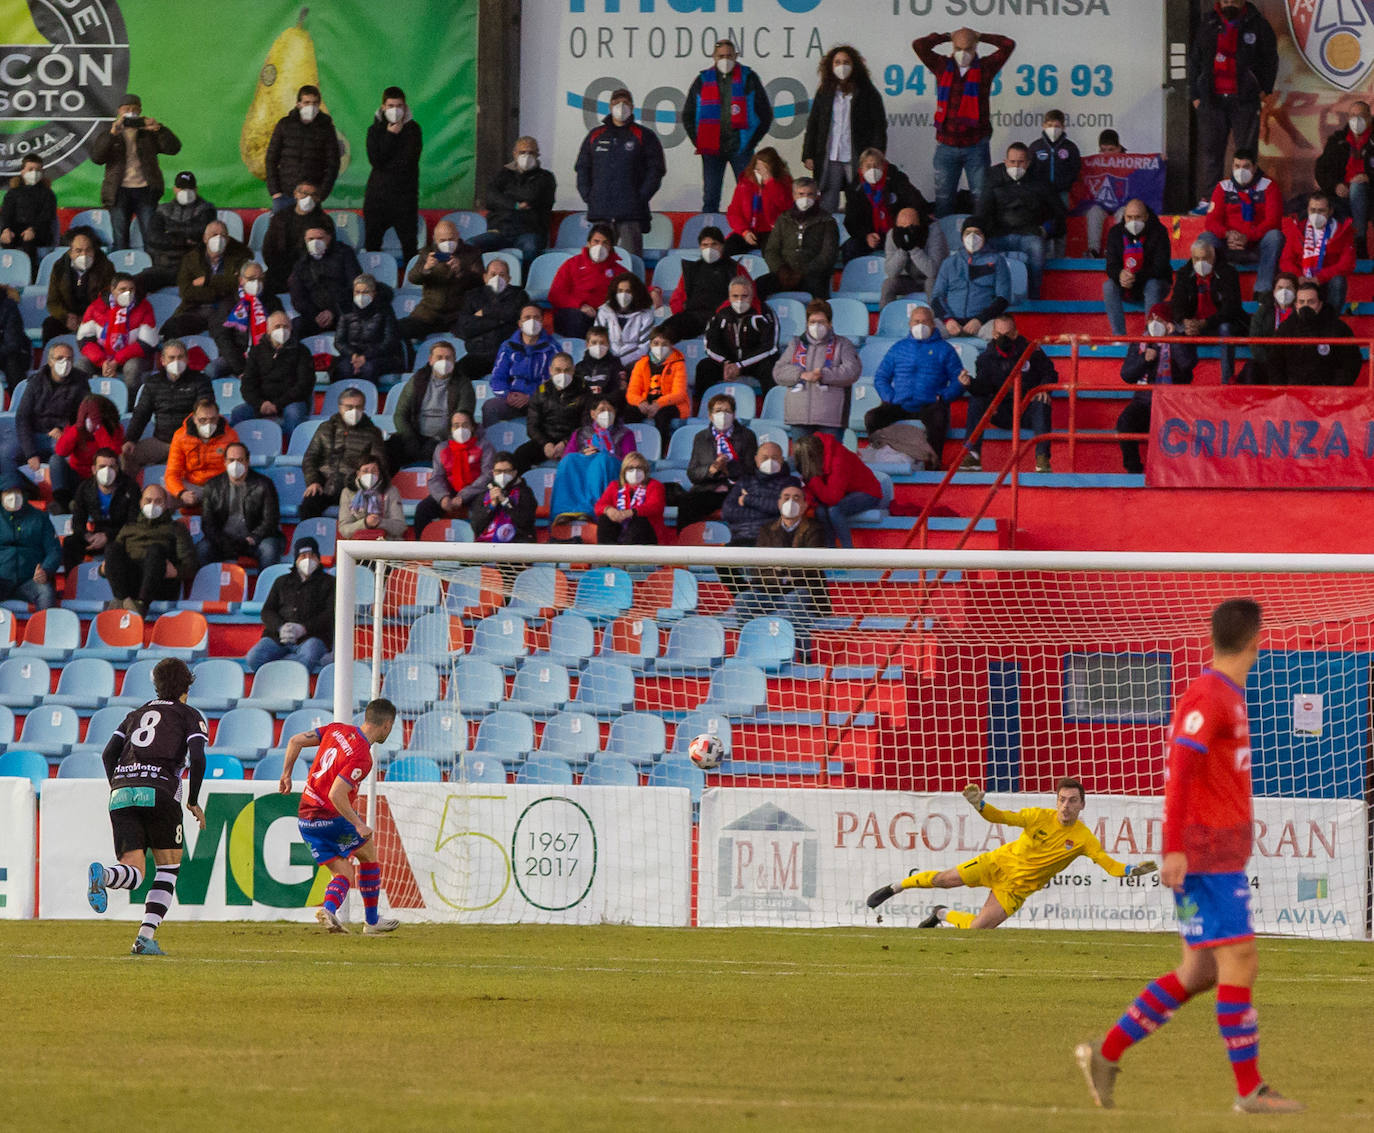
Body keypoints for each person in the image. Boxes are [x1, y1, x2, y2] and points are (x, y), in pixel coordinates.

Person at [1077, 599, 1304, 1115]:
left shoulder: (1228, 694)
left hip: (1218, 853)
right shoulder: (1209, 694)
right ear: (1257, 640)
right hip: (1205, 855)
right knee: (1240, 959)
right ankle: (1249, 1091)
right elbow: (1181, 764)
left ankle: (1105, 1055)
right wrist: (1173, 847)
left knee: (1198, 972)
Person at [868, 778, 1155, 931]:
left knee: (978, 930)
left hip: (1015, 890)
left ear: (1082, 805)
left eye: (1072, 801)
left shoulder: (1083, 839)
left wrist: (1131, 871)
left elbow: (1109, 864)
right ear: (1056, 801)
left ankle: (940, 913)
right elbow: (1001, 817)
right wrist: (980, 804)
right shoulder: (1037, 816)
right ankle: (896, 886)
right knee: (943, 879)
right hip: (997, 863)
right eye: (1062, 800)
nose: (1066, 806)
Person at [85, 657, 208, 956]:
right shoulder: (189, 715)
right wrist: (192, 800)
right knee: (167, 867)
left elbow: (107, 755)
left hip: (122, 791)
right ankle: (144, 937)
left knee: (134, 872)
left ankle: (106, 876)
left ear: (156, 685)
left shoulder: (134, 714)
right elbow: (198, 757)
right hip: (160, 791)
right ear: (187, 686)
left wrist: (120, 786)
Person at [278, 698, 401, 936]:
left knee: (343, 873)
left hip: (305, 817)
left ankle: (329, 909)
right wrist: (358, 824)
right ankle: (372, 921)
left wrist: (286, 774)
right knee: (367, 852)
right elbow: (336, 794)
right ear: (386, 725)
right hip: (328, 816)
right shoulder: (362, 756)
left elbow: (294, 741)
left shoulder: (336, 729)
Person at [912, 27, 1017, 217]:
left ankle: (979, 238)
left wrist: (982, 35)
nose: (962, 53)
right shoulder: (942, 66)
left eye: (967, 48)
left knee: (980, 197)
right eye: (958, 48)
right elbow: (919, 45)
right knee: (943, 199)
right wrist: (944, 36)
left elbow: (1008, 45)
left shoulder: (985, 67)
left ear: (975, 47)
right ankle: (945, 242)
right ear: (952, 47)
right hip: (946, 146)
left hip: (976, 145)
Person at [1188, 2, 1279, 213]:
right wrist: (1195, 95)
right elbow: (1195, 60)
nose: (1229, 2)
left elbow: (1270, 58)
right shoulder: (1208, 23)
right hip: (1211, 100)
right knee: (1211, 153)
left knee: (1246, 152)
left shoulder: (1258, 24)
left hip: (1245, 100)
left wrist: (1265, 87)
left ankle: (1247, 198)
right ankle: (1209, 201)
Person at [728, 482, 829, 658]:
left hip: (800, 590)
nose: (791, 502)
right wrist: (782, 574)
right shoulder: (767, 530)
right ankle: (750, 650)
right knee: (744, 600)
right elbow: (759, 567)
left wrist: (780, 570)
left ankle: (804, 654)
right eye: (786, 497)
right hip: (769, 591)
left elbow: (811, 567)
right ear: (779, 503)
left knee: (796, 601)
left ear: (804, 505)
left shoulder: (815, 529)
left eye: (796, 498)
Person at [867, 305, 968, 463]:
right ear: (910, 324)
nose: (920, 325)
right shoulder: (898, 348)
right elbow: (881, 377)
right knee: (872, 418)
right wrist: (889, 397)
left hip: (930, 404)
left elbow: (959, 379)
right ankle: (880, 458)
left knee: (938, 419)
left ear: (933, 324)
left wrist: (942, 397)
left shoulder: (945, 349)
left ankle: (933, 463)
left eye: (925, 322)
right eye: (917, 321)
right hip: (900, 403)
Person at [683, 38, 774, 214]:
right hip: (711, 150)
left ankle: (752, 235)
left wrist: (750, 142)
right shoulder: (702, 80)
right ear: (714, 57)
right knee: (710, 197)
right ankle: (709, 237)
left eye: (729, 55)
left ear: (736, 55)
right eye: (721, 56)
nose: (726, 59)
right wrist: (700, 141)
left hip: (741, 148)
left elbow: (765, 115)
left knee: (751, 194)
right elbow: (688, 115)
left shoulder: (749, 78)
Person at [574, 88, 666, 257]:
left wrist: (640, 197)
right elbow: (582, 167)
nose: (621, 107)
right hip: (600, 211)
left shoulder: (644, 135)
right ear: (609, 106)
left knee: (631, 262)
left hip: (632, 213)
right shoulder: (595, 135)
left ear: (632, 106)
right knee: (598, 260)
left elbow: (656, 169)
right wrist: (589, 195)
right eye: (616, 103)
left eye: (625, 103)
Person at [960, 314, 1056, 473]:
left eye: (1008, 335)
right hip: (1000, 411)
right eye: (999, 335)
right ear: (993, 334)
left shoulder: (1032, 351)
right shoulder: (985, 359)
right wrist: (969, 383)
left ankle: (1042, 459)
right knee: (977, 400)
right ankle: (972, 455)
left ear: (1015, 333)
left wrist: (1044, 388)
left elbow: (1050, 373)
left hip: (1026, 410)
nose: (1003, 338)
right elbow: (983, 387)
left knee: (1041, 401)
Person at [86, 93, 182, 249]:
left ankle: (150, 270)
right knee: (120, 237)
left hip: (146, 190)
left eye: (134, 109)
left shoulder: (148, 132)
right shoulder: (110, 132)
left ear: (140, 110)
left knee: (151, 238)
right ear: (119, 111)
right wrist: (112, 134)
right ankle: (120, 271)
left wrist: (159, 129)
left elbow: (174, 148)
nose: (130, 112)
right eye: (126, 109)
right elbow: (97, 158)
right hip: (118, 191)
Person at [801, 45, 887, 215]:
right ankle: (826, 235)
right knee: (827, 199)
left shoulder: (868, 92)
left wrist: (876, 154)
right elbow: (814, 124)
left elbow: (879, 125)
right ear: (830, 66)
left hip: (857, 155)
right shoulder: (824, 92)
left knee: (860, 197)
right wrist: (808, 154)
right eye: (837, 62)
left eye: (846, 62)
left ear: (854, 65)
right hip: (830, 156)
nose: (842, 66)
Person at [974, 143, 1065, 299]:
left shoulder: (1040, 181)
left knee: (1037, 249)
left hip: (1029, 235)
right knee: (980, 252)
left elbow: (1058, 211)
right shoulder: (992, 179)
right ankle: (988, 296)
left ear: (1028, 163)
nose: (1016, 166)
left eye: (1021, 162)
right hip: (997, 235)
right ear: (1005, 162)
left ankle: (1033, 296)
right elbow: (981, 211)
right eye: (1012, 162)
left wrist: (1046, 229)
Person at [1117, 304, 1196, 475]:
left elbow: (1187, 364)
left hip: (1173, 403)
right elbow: (1126, 375)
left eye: (1158, 320)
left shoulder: (1181, 339)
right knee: (1125, 422)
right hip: (1144, 401)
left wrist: (1173, 338)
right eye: (1151, 320)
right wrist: (1144, 360)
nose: (1154, 324)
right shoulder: (1141, 343)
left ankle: (1176, 472)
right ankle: (1133, 469)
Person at [102, 483, 196, 616]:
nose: (152, 505)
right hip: (131, 584)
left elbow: (191, 566)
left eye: (158, 501)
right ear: (141, 503)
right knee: (112, 548)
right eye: (148, 501)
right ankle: (122, 600)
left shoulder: (176, 529)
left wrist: (176, 572)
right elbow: (114, 559)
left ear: (166, 505)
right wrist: (103, 569)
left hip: (161, 583)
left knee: (155, 550)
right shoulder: (129, 528)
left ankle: (141, 605)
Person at [6, 341, 87, 495]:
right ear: (50, 361)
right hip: (34, 434)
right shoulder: (36, 381)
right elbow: (22, 417)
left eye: (69, 359)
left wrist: (65, 430)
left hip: (61, 436)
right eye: (60, 358)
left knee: (66, 456)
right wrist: (30, 453)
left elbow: (82, 416)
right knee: (6, 454)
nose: (65, 362)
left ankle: (62, 498)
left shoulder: (80, 382)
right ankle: (18, 492)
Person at [1199, 149, 1282, 296]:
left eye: (1246, 166)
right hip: (1229, 244)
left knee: (1275, 236)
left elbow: (1272, 221)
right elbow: (1211, 222)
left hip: (1257, 246)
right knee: (1205, 239)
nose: (1241, 171)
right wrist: (1228, 234)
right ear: (1232, 167)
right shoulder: (1223, 187)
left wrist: (1247, 237)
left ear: (1255, 167)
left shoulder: (1269, 186)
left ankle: (1262, 291)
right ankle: (1212, 290)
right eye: (1237, 166)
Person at [773, 299, 861, 438]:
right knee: (802, 459)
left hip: (831, 418)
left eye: (821, 322)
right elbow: (778, 372)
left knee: (829, 458)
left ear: (830, 324)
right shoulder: (796, 344)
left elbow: (852, 371)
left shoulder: (843, 344)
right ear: (806, 324)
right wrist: (801, 375)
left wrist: (823, 375)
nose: (816, 326)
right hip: (798, 416)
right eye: (812, 322)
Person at [246, 536, 335, 672]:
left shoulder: (329, 582)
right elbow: (267, 611)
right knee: (254, 657)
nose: (308, 560)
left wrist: (303, 628)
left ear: (318, 558)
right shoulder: (281, 581)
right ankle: (276, 683)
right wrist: (281, 628)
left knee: (309, 656)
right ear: (296, 559)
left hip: (312, 637)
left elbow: (329, 614)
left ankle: (290, 682)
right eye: (303, 556)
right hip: (279, 637)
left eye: (312, 555)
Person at [467, 137, 557, 270]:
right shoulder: (502, 174)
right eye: (522, 152)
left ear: (537, 154)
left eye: (531, 152)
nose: (526, 156)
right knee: (469, 245)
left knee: (531, 249)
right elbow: (489, 198)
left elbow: (531, 196)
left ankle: (524, 286)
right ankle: (479, 284)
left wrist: (504, 197)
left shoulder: (545, 177)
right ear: (514, 153)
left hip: (529, 231)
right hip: (500, 231)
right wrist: (515, 205)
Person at [122, 340, 212, 472]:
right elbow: (141, 414)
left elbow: (206, 410)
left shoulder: (200, 381)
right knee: (127, 456)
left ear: (187, 359)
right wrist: (130, 439)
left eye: (180, 357)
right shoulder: (153, 383)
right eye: (172, 358)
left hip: (190, 442)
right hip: (161, 441)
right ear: (163, 361)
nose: (176, 361)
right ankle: (132, 491)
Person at [300, 388, 387, 521]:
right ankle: (309, 540)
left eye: (358, 407)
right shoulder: (325, 428)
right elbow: (310, 457)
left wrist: (360, 482)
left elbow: (379, 464)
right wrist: (313, 481)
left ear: (363, 408)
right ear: (340, 407)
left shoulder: (372, 433)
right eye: (349, 407)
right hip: (324, 485)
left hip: (353, 487)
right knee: (308, 505)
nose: (354, 411)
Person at [388, 341, 476, 470]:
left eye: (448, 358)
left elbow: (463, 419)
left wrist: (439, 439)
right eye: (439, 358)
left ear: (455, 360)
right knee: (389, 448)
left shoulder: (463, 384)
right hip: (415, 435)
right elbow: (400, 414)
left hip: (444, 438)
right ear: (430, 360)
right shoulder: (417, 380)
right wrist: (409, 438)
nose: (444, 361)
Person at [677, 392, 757, 531]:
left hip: (736, 490)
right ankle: (686, 545)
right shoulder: (701, 437)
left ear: (734, 414)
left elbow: (752, 469)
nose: (723, 415)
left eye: (727, 411)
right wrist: (711, 469)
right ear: (710, 415)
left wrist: (730, 470)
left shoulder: (747, 436)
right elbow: (692, 473)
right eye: (718, 411)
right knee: (686, 503)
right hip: (708, 489)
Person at [396, 218, 484, 343]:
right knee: (397, 329)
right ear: (435, 239)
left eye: (451, 239)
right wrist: (426, 268)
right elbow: (413, 278)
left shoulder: (472, 253)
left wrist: (461, 271)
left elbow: (480, 282)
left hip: (459, 314)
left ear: (458, 236)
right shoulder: (427, 253)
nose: (447, 243)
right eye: (442, 240)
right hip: (429, 313)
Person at [549, 398, 636, 523]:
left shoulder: (625, 433)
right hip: (585, 467)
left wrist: (605, 453)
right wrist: (583, 454)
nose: (606, 413)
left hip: (611, 467)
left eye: (609, 410)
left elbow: (630, 460)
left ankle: (592, 510)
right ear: (593, 414)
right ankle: (566, 511)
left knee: (602, 460)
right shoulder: (580, 433)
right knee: (569, 460)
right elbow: (567, 456)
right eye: (601, 410)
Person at [161, 219, 252, 338]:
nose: (219, 239)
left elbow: (239, 283)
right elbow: (186, 291)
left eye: (223, 235)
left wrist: (208, 280)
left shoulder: (239, 258)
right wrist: (218, 291)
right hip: (197, 308)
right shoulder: (191, 259)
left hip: (225, 310)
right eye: (214, 235)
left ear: (228, 239)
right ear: (205, 238)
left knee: (227, 332)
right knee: (171, 327)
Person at [198, 441, 283, 568]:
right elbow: (208, 523)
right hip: (223, 540)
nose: (235, 464)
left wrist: (253, 537)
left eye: (240, 460)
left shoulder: (264, 484)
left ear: (247, 461)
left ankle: (265, 587)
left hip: (255, 540)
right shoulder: (212, 486)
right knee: (202, 550)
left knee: (269, 550)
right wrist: (222, 541)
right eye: (231, 460)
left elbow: (271, 520)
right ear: (225, 462)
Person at [656, 226, 748, 343]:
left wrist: (722, 315)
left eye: (714, 244)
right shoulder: (692, 269)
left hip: (723, 318)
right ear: (700, 247)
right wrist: (680, 313)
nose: (709, 249)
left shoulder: (735, 269)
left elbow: (745, 296)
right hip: (694, 316)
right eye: (705, 245)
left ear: (722, 246)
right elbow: (678, 296)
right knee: (664, 332)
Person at [363, 86, 422, 264]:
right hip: (376, 199)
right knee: (372, 245)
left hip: (405, 200)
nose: (395, 110)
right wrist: (390, 135)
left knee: (410, 247)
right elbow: (376, 161)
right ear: (383, 107)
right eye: (390, 105)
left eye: (399, 105)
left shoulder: (413, 130)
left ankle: (413, 286)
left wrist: (385, 162)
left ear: (405, 107)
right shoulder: (374, 131)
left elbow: (407, 162)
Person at [1263, 280, 1362, 387]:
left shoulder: (1338, 328)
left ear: (1320, 304)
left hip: (1328, 395)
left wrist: (1335, 389)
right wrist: (1283, 390)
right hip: (1293, 395)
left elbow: (1351, 362)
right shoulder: (1285, 329)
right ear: (1296, 305)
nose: (1306, 306)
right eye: (1301, 302)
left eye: (1311, 302)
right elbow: (1274, 363)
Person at [1171, 239, 1243, 384]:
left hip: (1218, 323)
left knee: (1226, 329)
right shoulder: (1184, 274)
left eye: (1204, 258)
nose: (1200, 262)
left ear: (1213, 256)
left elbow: (1231, 308)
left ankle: (1227, 380)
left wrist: (1205, 323)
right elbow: (1177, 303)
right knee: (1174, 331)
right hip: (1194, 323)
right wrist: (1186, 322)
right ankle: (1181, 381)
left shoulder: (1228, 273)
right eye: (1196, 259)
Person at [792, 431, 881, 548]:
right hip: (843, 493)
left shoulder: (839, 459)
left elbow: (832, 498)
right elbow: (814, 492)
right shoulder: (816, 456)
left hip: (869, 493)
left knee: (835, 510)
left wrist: (813, 478)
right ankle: (830, 550)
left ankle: (847, 551)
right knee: (820, 511)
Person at [930, 218, 1013, 341]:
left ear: (984, 236)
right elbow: (937, 297)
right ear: (962, 237)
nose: (972, 237)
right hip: (951, 322)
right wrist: (947, 320)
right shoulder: (950, 262)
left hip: (983, 323)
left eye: (977, 233)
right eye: (968, 233)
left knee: (1002, 336)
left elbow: (1003, 298)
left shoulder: (997, 261)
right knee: (925, 332)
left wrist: (980, 319)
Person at [413, 409, 493, 535]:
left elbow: (487, 475)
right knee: (423, 509)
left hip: (476, 491)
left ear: (472, 427)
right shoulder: (442, 448)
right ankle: (420, 550)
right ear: (451, 428)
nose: (461, 429)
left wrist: (463, 496)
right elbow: (436, 478)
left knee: (483, 512)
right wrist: (443, 497)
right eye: (456, 425)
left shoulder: (484, 446)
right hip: (450, 490)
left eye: (465, 425)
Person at [842, 149, 928, 263]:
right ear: (861, 169)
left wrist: (901, 230)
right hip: (871, 235)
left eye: (876, 165)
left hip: (897, 232)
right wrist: (866, 236)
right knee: (850, 248)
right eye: (868, 166)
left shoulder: (897, 180)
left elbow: (916, 202)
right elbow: (851, 221)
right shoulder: (855, 189)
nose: (872, 170)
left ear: (883, 166)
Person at [760, 177, 839, 299]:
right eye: (801, 194)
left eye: (809, 194)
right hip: (784, 273)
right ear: (794, 195)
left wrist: (803, 272)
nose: (805, 198)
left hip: (813, 275)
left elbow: (828, 255)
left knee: (819, 294)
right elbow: (771, 250)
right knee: (757, 286)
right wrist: (781, 270)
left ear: (816, 196)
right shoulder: (783, 219)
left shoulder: (827, 221)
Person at [698, 275, 780, 393]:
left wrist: (740, 365)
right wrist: (726, 363)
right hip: (728, 361)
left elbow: (770, 347)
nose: (739, 301)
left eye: (744, 296)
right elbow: (710, 343)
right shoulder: (721, 314)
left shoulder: (764, 313)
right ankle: (700, 406)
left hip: (753, 362)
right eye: (735, 296)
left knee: (770, 367)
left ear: (752, 296)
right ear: (729, 297)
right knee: (704, 366)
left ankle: (770, 406)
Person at [1103, 200, 1174, 336]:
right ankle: (1119, 337)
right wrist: (1120, 275)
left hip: (1153, 283)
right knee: (1108, 286)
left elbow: (1160, 267)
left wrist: (1136, 277)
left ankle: (1150, 336)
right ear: (1124, 217)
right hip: (1126, 284)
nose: (1133, 221)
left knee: (1152, 285)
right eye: (1129, 217)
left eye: (1138, 217)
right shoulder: (1115, 233)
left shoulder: (1159, 232)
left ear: (1146, 217)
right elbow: (1111, 265)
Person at [76, 273, 158, 389]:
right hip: (103, 358)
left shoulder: (144, 307)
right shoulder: (96, 307)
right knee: (81, 365)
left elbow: (147, 343)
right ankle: (82, 402)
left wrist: (117, 360)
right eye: (122, 289)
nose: (128, 293)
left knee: (132, 367)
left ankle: (130, 403)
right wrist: (103, 361)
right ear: (112, 290)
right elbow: (84, 341)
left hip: (132, 358)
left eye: (131, 289)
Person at [266, 85, 341, 211]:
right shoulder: (285, 124)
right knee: (281, 230)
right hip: (284, 195)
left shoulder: (326, 128)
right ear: (298, 104)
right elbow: (271, 159)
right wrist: (275, 192)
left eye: (315, 103)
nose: (311, 107)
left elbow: (333, 164)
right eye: (307, 102)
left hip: (311, 196)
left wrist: (321, 194)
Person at [64, 447, 138, 575]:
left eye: (112, 467)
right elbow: (77, 520)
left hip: (121, 536)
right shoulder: (85, 488)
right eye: (102, 466)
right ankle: (72, 583)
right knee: (70, 542)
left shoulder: (130, 487)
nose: (107, 471)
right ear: (94, 469)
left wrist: (108, 536)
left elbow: (133, 523)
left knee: (114, 548)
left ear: (118, 469)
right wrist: (86, 535)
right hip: (96, 535)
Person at [1278, 192, 1355, 314]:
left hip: (1325, 280)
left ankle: (1330, 322)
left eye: (1321, 211)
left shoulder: (1343, 230)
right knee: (1285, 280)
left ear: (1330, 211)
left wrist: (1320, 277)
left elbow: (1347, 263)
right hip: (1301, 279)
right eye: (1312, 210)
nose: (1316, 215)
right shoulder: (1296, 228)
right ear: (1307, 210)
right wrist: (1298, 276)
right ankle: (1292, 321)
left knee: (1339, 281)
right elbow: (1286, 260)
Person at [1314, 101, 1374, 257]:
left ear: (1369, 117)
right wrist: (1335, 186)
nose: (1357, 120)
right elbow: (1321, 170)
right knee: (1318, 204)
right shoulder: (1338, 140)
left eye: (1361, 116)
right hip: (1341, 194)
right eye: (1353, 116)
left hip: (1370, 194)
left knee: (1357, 186)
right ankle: (1319, 255)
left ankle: (1359, 241)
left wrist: (1369, 177)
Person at [140, 170, 216, 292]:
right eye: (181, 188)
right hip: (164, 266)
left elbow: (200, 233)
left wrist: (170, 232)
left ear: (196, 190)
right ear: (175, 189)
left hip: (193, 268)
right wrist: (184, 240)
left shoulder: (207, 209)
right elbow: (153, 238)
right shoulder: (162, 210)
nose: (185, 192)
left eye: (189, 188)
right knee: (137, 282)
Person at [548, 224, 627, 338]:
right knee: (577, 318)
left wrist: (654, 291)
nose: (600, 246)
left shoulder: (618, 270)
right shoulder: (572, 264)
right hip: (575, 313)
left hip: (603, 315)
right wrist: (579, 305)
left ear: (611, 247)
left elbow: (636, 289)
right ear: (588, 243)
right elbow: (555, 295)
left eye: (605, 243)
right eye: (596, 241)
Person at [455, 258, 528, 379]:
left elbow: (512, 314)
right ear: (485, 277)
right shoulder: (472, 296)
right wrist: (500, 320)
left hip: (508, 353)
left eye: (502, 275)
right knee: (457, 375)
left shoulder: (519, 295)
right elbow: (464, 328)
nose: (497, 278)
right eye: (493, 274)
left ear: (509, 279)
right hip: (479, 353)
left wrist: (484, 312)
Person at [485, 305, 558, 424]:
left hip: (539, 401)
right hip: (512, 399)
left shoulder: (552, 348)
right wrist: (507, 395)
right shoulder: (507, 346)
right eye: (527, 317)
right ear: (520, 323)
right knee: (490, 407)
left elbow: (553, 382)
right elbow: (497, 377)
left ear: (542, 321)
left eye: (536, 317)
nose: (532, 321)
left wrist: (530, 396)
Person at [53, 393, 124, 512]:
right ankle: (62, 504)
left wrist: (98, 428)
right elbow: (61, 451)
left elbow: (111, 453)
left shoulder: (114, 429)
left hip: (99, 478)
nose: (88, 420)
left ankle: (82, 505)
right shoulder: (76, 429)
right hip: (77, 476)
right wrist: (78, 427)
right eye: (85, 415)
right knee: (55, 460)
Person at [42, 228, 113, 345]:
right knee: (50, 325)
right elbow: (53, 301)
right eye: (78, 251)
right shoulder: (59, 267)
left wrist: (89, 316)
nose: (83, 255)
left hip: (95, 316)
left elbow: (108, 298)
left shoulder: (106, 266)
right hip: (69, 316)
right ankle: (50, 360)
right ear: (71, 252)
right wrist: (66, 317)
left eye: (88, 250)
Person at [514, 352, 582, 473]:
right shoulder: (541, 392)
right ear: (550, 370)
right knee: (520, 455)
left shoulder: (583, 391)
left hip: (573, 440)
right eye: (558, 370)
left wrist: (566, 442)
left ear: (573, 370)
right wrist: (545, 444)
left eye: (567, 370)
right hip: (546, 439)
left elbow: (586, 424)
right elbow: (532, 426)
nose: (563, 374)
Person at [288, 225, 362, 337]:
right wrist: (315, 315)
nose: (315, 243)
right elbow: (298, 296)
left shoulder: (344, 253)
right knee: (294, 326)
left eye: (320, 238)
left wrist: (333, 311)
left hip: (343, 312)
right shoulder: (301, 261)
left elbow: (355, 285)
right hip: (314, 316)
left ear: (329, 237)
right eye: (310, 239)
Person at [165, 397, 238, 510]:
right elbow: (172, 473)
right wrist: (181, 493)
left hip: (220, 486)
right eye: (202, 420)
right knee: (164, 498)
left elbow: (236, 468)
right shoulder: (180, 436)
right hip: (192, 485)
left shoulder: (231, 436)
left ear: (218, 417)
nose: (208, 424)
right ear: (194, 419)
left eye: (212, 419)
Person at [212, 260, 281, 378]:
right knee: (212, 370)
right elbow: (223, 338)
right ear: (241, 280)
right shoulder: (229, 303)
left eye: (260, 279)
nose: (256, 283)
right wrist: (240, 368)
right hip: (237, 357)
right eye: (251, 279)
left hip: (265, 355)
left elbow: (280, 330)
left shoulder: (272, 302)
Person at [721, 441, 798, 546]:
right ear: (756, 460)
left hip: (773, 540)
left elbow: (784, 509)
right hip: (741, 539)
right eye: (765, 458)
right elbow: (727, 512)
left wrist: (747, 500)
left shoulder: (791, 482)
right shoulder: (744, 481)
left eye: (775, 457)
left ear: (782, 460)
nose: (770, 462)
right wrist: (767, 512)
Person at [261, 181, 333, 294]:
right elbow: (268, 248)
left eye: (313, 195)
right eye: (304, 193)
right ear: (295, 194)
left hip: (309, 273)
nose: (308, 198)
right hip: (280, 270)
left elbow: (329, 251)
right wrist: (277, 269)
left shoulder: (324, 221)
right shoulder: (280, 217)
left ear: (318, 199)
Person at [0, 473, 59, 609]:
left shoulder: (40, 518)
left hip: (30, 580)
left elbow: (54, 550)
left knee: (45, 591)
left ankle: (45, 630)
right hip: (2, 580)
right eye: (8, 492)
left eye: (17, 491)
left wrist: (46, 570)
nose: (13, 496)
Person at [333, 272, 404, 383]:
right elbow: (339, 341)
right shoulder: (346, 309)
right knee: (343, 369)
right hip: (352, 356)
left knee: (368, 369)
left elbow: (389, 341)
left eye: (366, 292)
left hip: (380, 356)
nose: (361, 296)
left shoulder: (385, 310)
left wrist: (365, 357)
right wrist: (353, 355)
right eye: (357, 292)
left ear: (374, 293)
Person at [624, 327, 689, 446]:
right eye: (656, 343)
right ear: (650, 344)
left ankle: (660, 450)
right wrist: (640, 402)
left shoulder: (678, 364)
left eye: (664, 344)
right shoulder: (641, 364)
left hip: (669, 404)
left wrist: (658, 404)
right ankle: (630, 448)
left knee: (662, 416)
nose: (660, 347)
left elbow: (679, 394)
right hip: (646, 402)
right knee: (629, 413)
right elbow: (631, 392)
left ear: (671, 346)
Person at [724, 147, 792, 257]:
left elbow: (786, 207)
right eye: (758, 169)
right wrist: (744, 231)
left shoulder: (784, 182)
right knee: (727, 250)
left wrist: (770, 183)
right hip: (748, 230)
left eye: (765, 169)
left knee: (772, 255)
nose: (760, 173)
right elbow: (734, 211)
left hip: (771, 231)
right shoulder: (745, 183)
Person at [0, 155, 56, 277]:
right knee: (7, 240)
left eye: (37, 170)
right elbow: (6, 214)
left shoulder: (48, 194)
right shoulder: (12, 193)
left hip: (40, 232)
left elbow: (47, 216)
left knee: (28, 241)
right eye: (30, 169)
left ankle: (29, 276)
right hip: (16, 231)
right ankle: (8, 276)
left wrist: (33, 229)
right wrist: (6, 229)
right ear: (22, 171)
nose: (34, 173)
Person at [882, 204, 949, 306]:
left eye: (911, 226)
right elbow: (891, 272)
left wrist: (914, 249)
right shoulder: (893, 234)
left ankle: (936, 318)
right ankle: (886, 318)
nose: (906, 231)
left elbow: (933, 272)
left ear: (919, 224)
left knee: (931, 282)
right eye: (901, 227)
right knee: (888, 284)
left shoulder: (933, 232)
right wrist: (903, 250)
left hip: (936, 279)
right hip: (910, 280)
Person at [595, 450, 666, 545]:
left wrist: (632, 512)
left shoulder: (655, 485)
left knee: (639, 520)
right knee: (605, 518)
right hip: (620, 530)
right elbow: (599, 506)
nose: (635, 472)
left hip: (646, 533)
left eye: (639, 468)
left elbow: (655, 506)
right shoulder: (614, 486)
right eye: (630, 468)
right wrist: (609, 510)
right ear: (624, 471)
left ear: (645, 471)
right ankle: (606, 554)